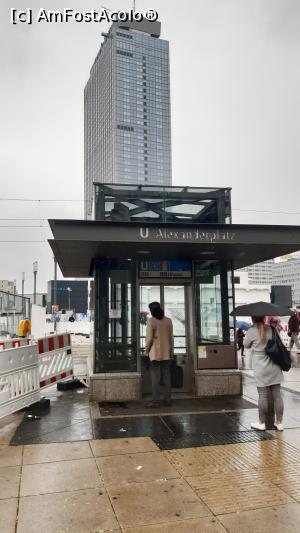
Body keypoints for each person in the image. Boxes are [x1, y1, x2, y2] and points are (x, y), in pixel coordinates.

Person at [244, 316, 284, 431]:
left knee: (263, 395)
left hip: (260, 367)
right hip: (274, 365)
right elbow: (279, 342)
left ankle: (261, 423)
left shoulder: (251, 330)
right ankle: (279, 422)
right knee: (277, 395)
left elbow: (246, 345)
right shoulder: (271, 328)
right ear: (263, 318)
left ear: (253, 319)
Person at [144, 301, 174, 408]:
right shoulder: (168, 321)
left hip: (155, 354)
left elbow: (149, 339)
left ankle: (155, 401)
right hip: (166, 353)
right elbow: (171, 338)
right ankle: (168, 400)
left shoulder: (151, 321)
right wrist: (171, 353)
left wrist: (146, 351)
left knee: (155, 378)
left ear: (152, 311)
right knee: (167, 377)